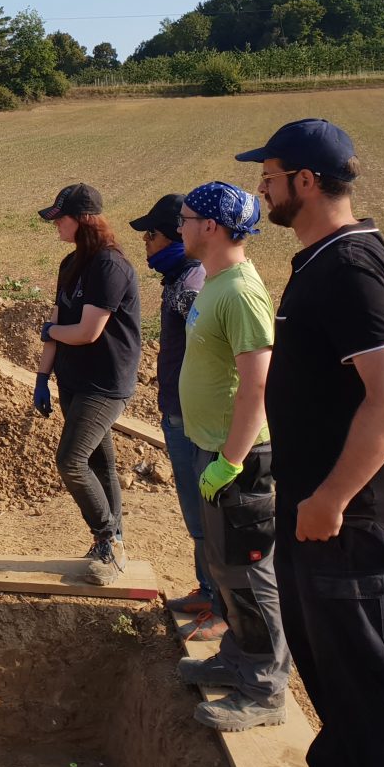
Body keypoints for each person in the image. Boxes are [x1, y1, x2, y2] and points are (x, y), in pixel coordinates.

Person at [238, 118, 384, 767]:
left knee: (374, 686)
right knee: (328, 665)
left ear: (305, 183)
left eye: (272, 175)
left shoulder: (349, 268)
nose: (263, 186)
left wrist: (333, 498)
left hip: (346, 517)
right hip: (313, 504)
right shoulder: (320, 260)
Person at [174, 182, 291, 732]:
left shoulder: (242, 293)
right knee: (223, 567)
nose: (180, 226)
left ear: (212, 228)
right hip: (212, 448)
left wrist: (233, 460)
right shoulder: (216, 284)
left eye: (187, 218)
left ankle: (264, 688)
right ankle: (238, 661)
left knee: (250, 573)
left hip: (238, 456)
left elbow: (257, 386)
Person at [33, 184, 141, 586]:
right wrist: (43, 376)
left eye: (60, 217)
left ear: (82, 219)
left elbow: (86, 331)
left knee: (71, 461)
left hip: (106, 382)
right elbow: (59, 328)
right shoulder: (71, 264)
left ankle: (106, 539)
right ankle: (116, 543)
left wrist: (51, 330)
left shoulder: (109, 266)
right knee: (99, 462)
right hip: (73, 379)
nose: (55, 224)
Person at [130, 193, 222, 635]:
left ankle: (223, 607)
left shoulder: (192, 285)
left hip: (197, 416)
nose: (145, 242)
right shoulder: (177, 280)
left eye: (152, 233)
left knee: (210, 514)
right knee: (193, 508)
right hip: (178, 410)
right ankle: (208, 589)